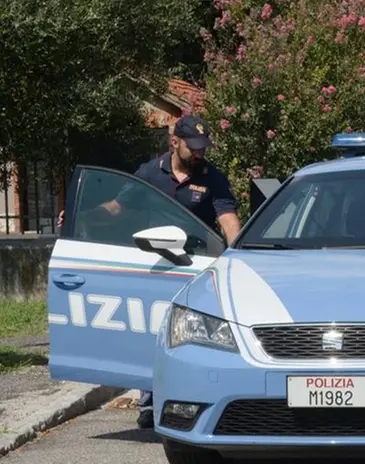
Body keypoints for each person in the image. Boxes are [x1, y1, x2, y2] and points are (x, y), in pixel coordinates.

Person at [58, 115, 242, 429]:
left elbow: (227, 220)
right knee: (152, 331)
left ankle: (193, 399)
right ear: (175, 142)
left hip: (197, 267)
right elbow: (117, 208)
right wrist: (83, 217)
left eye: (203, 147)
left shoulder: (213, 178)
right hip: (154, 265)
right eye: (193, 146)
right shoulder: (149, 173)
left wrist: (237, 261)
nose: (199, 153)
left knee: (193, 335)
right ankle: (149, 403)